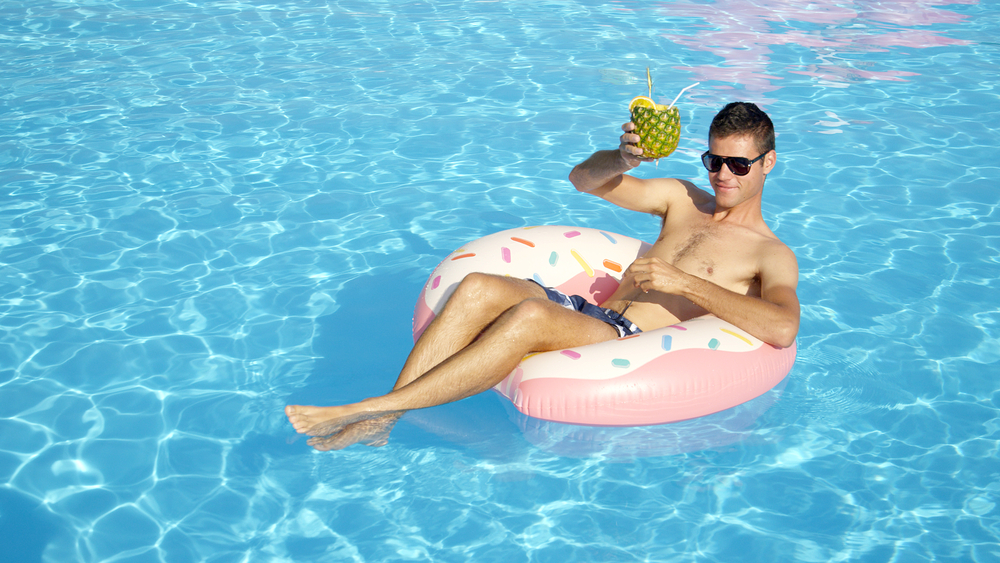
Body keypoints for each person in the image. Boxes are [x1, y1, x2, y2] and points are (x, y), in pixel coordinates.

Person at [286, 101, 800, 451]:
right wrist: (620, 158)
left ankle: (375, 409)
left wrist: (684, 283)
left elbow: (782, 327)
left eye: (738, 163)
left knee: (530, 315)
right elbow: (584, 180)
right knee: (479, 286)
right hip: (588, 313)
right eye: (714, 159)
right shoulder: (682, 197)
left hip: (627, 337)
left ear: (767, 162)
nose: (722, 175)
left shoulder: (770, 254)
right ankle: (384, 422)